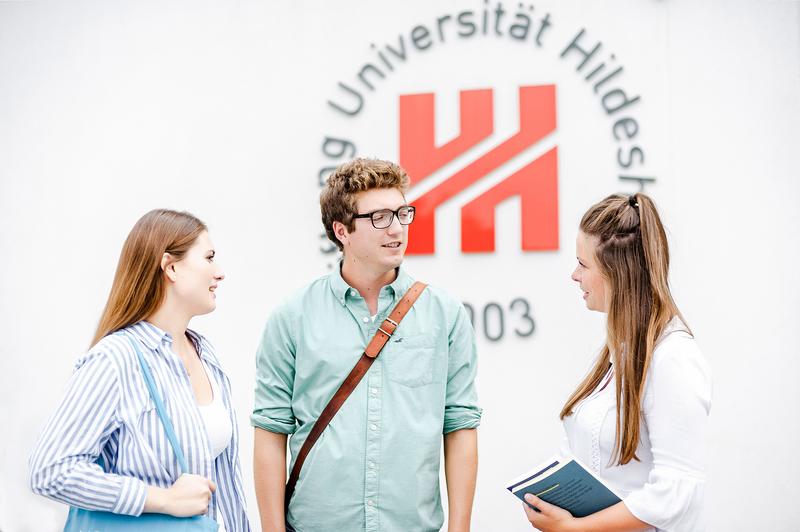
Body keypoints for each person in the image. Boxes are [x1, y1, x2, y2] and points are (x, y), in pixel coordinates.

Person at [252, 158, 482, 532]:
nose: (396, 229)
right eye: (379, 217)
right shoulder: (293, 316)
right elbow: (270, 429)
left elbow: (460, 425)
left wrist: (460, 529)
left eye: (402, 213)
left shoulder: (445, 314)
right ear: (342, 231)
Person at [29, 209, 250, 531]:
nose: (219, 273)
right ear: (171, 267)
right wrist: (163, 500)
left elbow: (225, 485)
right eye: (209, 258)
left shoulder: (206, 354)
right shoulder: (115, 360)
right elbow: (50, 471)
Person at [522, 193, 712, 532]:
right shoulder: (619, 350)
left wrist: (574, 528)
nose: (574, 276)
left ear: (617, 273)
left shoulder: (673, 359)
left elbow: (678, 493)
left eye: (583, 264)